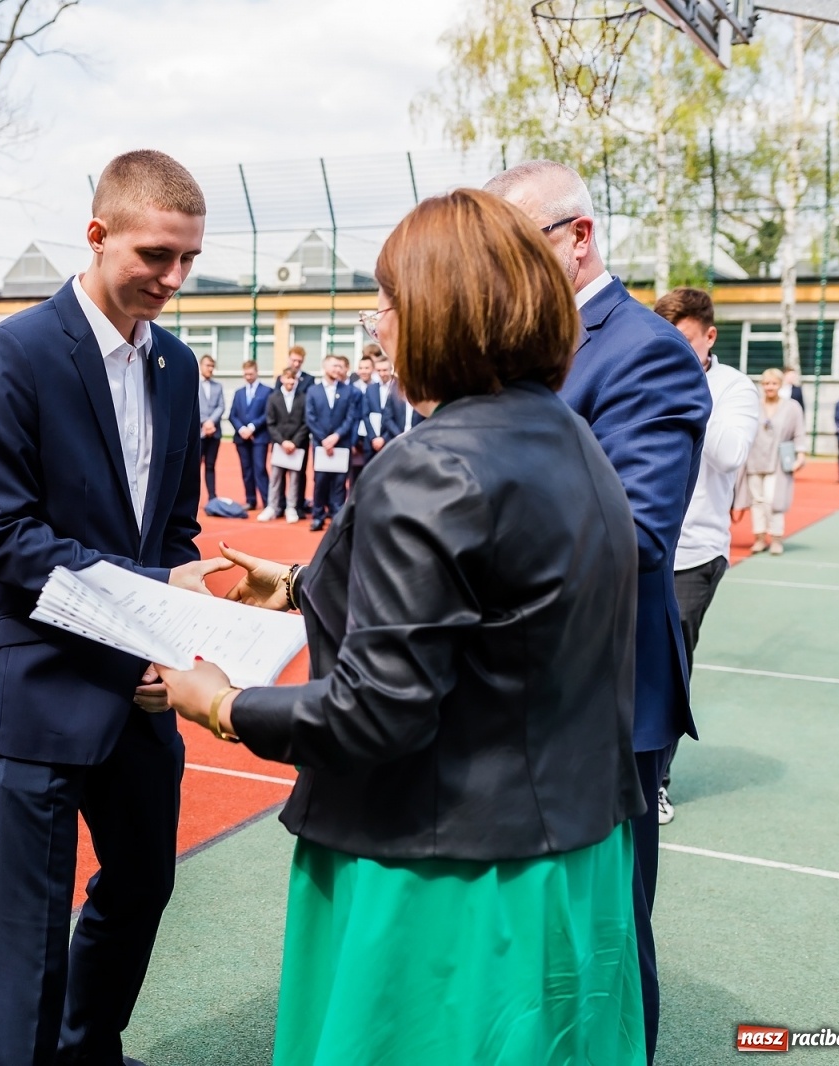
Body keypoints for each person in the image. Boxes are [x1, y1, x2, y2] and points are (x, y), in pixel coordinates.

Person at [158, 188, 645, 1066]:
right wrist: (312, 586)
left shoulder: (432, 465)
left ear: (440, 311)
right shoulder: (573, 442)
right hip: (570, 853)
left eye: (387, 300)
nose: (376, 323)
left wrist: (224, 704)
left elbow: (378, 713)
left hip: (444, 870)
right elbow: (507, 608)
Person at [0, 149, 228, 1066]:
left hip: (145, 692)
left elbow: (175, 531)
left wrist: (179, 629)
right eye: (156, 255)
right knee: (27, 938)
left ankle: (86, 1049)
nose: (174, 279)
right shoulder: (15, 351)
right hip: (39, 688)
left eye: (188, 259)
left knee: (145, 886)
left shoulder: (179, 366)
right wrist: (148, 605)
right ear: (98, 234)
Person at [487, 159, 710, 1065]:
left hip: (605, 694)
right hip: (520, 684)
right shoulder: (518, 346)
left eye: (516, 246)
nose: (498, 271)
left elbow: (635, 537)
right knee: (535, 936)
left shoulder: (643, 349)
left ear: (579, 238)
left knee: (606, 943)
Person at [653, 287, 760, 826]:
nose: (673, 349)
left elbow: (730, 454)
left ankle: (659, 782)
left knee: (669, 668)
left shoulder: (734, 388)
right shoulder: (644, 373)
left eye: (685, 341)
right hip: (637, 543)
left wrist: (688, 382)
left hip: (694, 554)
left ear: (709, 336)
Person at [736, 367, 807, 556]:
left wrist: (800, 456)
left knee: (773, 501)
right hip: (753, 460)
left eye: (774, 383)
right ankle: (759, 538)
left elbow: (799, 433)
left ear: (780, 385)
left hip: (777, 461)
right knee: (757, 501)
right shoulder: (753, 405)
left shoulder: (792, 407)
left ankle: (776, 538)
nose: (770, 387)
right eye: (766, 383)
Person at [303, 353, 354, 531]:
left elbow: (350, 416)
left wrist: (336, 436)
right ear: (325, 367)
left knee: (340, 483)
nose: (338, 369)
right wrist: (324, 440)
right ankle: (318, 516)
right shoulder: (313, 391)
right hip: (320, 444)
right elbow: (310, 417)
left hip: (341, 444)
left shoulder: (347, 390)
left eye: (340, 366)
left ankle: (337, 517)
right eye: (334, 366)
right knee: (321, 482)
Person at [259, 366, 308, 523]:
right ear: (282, 379)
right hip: (279, 445)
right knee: (275, 478)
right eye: (287, 378)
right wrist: (282, 442)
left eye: (293, 379)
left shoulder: (303, 398)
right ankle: (272, 506)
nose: (290, 381)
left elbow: (305, 423)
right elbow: (270, 423)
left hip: (296, 445)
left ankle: (291, 507)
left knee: (294, 479)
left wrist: (294, 442)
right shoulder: (273, 398)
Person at [227, 358, 270, 511]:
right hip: (241, 438)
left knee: (260, 469)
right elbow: (232, 415)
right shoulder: (239, 393)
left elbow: (267, 414)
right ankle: (250, 500)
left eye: (251, 374)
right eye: (245, 374)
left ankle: (267, 502)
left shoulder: (266, 391)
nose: (248, 377)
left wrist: (251, 428)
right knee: (246, 470)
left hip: (259, 437)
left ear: (256, 372)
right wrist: (241, 429)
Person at [346, 345, 379, 489]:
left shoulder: (378, 387)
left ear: (373, 369)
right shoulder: (351, 387)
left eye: (367, 368)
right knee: (354, 471)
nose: (364, 371)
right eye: (361, 368)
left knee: (372, 469)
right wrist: (353, 441)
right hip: (355, 435)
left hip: (372, 435)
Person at [195, 354, 224, 500]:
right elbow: (193, 406)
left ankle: (212, 497)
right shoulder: (193, 384)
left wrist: (211, 422)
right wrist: (205, 422)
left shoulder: (218, 386)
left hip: (214, 433)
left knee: (210, 466)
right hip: (198, 434)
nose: (210, 369)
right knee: (194, 468)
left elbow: (221, 406)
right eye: (208, 365)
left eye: (212, 366)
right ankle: (192, 497)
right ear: (201, 366)